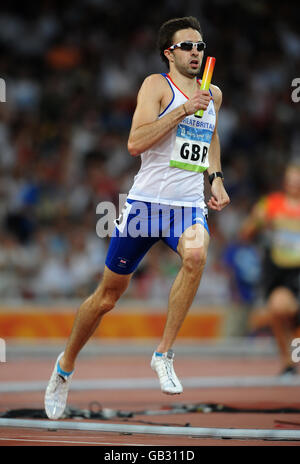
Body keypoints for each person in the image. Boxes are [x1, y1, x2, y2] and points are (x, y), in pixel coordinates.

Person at [44, 16, 230, 420]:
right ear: (170, 52)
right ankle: (65, 366)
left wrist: (215, 178)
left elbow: (210, 136)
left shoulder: (212, 92)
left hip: (187, 206)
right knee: (107, 298)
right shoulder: (155, 86)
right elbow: (135, 142)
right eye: (187, 46)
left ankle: (163, 353)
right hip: (146, 205)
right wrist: (182, 111)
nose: (196, 51)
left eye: (200, 45)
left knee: (197, 255)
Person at [240, 162, 300, 375]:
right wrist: (256, 222)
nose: (295, 184)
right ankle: (288, 363)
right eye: (291, 179)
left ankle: (295, 346)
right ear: (285, 182)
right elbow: (245, 233)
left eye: (298, 179)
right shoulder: (271, 204)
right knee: (278, 309)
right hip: (280, 273)